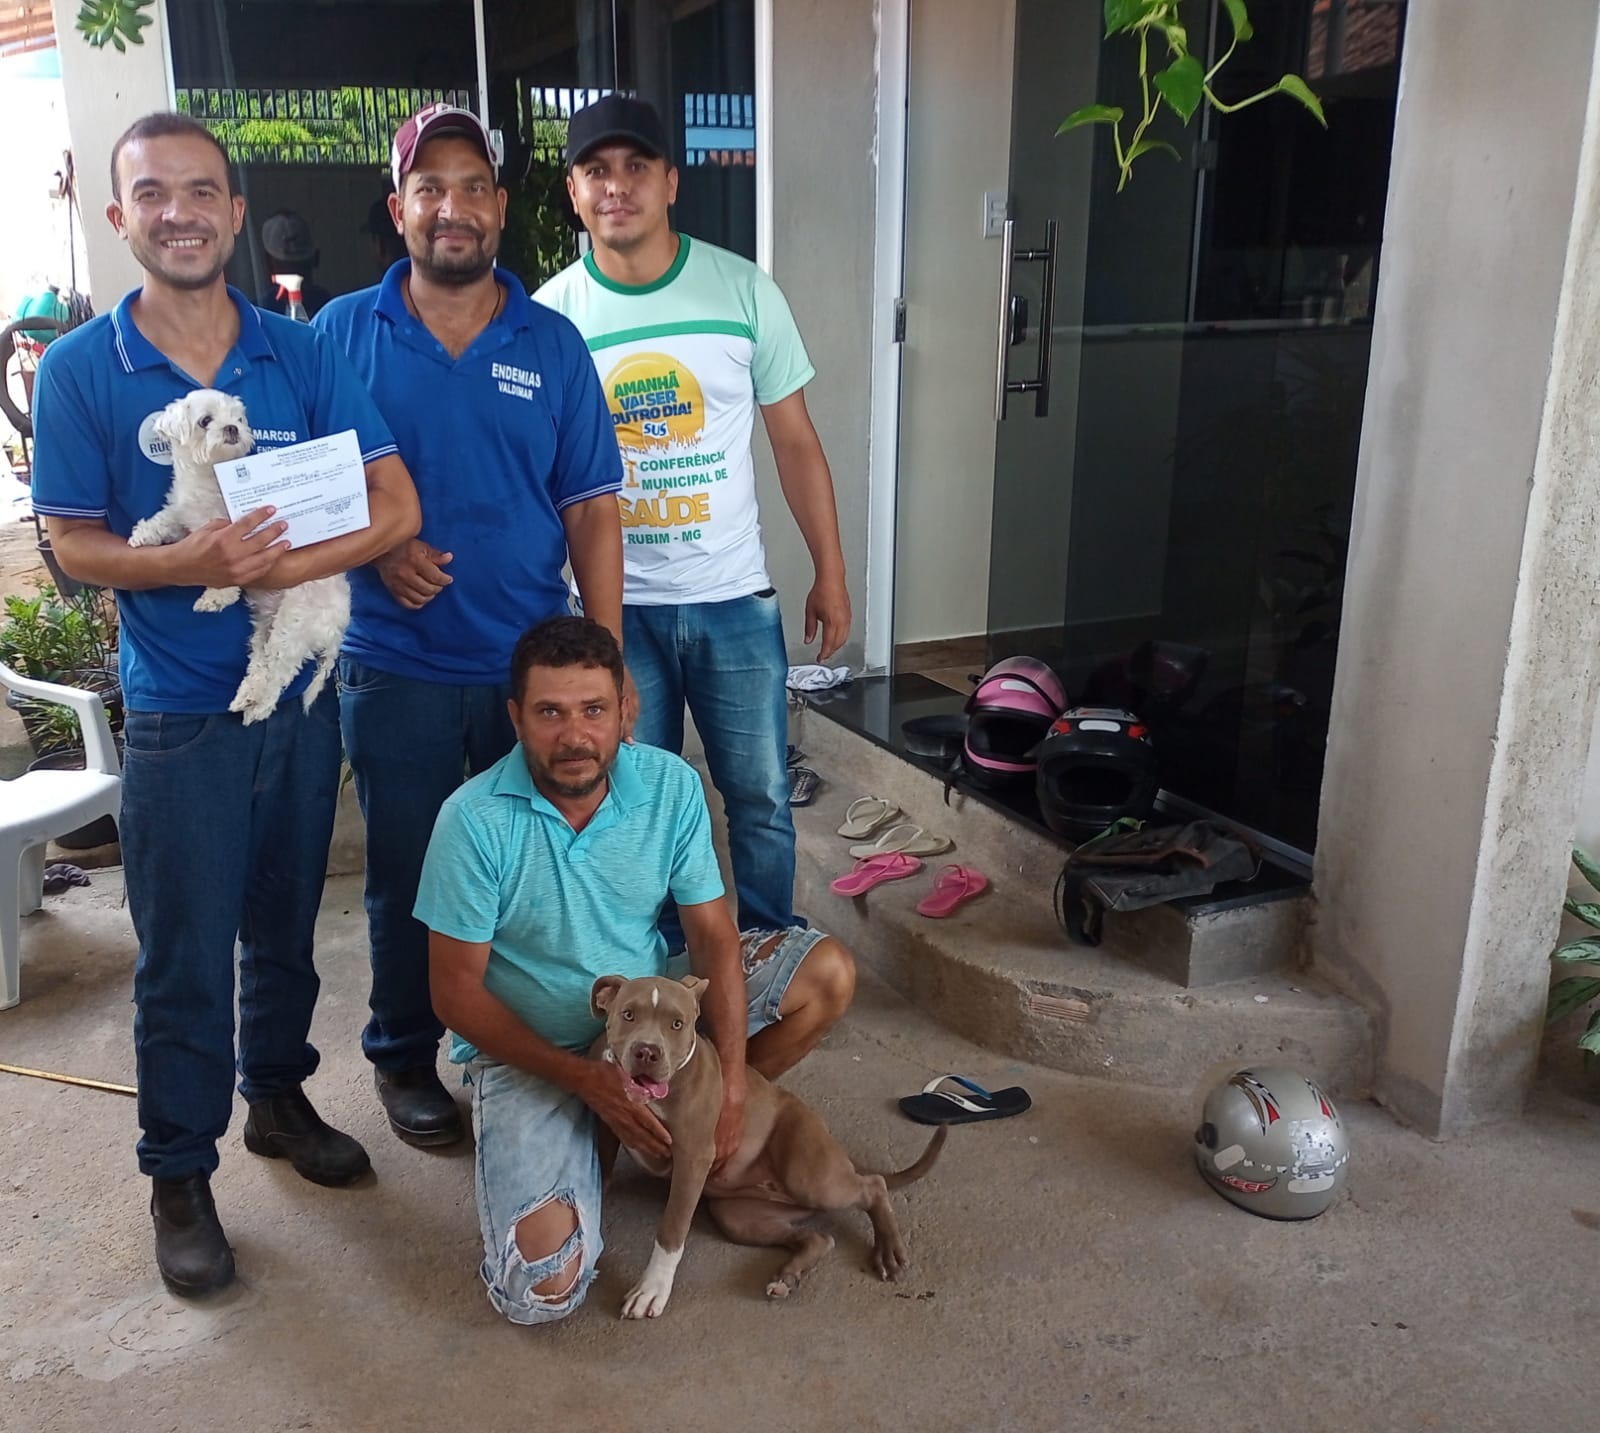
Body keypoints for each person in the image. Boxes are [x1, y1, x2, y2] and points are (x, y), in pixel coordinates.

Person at [27, 112, 422, 1296]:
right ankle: (179, 1171)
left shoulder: (299, 353)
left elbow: (394, 505)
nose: (180, 212)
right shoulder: (82, 370)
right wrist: (188, 563)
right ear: (120, 217)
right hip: (179, 717)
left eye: (202, 190)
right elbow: (72, 542)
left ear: (235, 213)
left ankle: (278, 1098)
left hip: (296, 705)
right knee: (186, 953)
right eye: (154, 193)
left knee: (286, 925)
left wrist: (282, 569)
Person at [314, 104, 625, 1151]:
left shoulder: (552, 342)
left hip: (526, 670)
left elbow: (591, 507)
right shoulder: (340, 334)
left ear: (500, 207)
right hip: (392, 663)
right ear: (398, 206)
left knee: (535, 866)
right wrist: (373, 545)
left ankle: (516, 1045)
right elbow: (297, 485)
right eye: (430, 188)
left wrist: (603, 668)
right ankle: (405, 1052)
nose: (453, 207)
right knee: (408, 872)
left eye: (473, 187)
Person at [415, 615, 856, 1324]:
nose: (575, 735)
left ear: (626, 710)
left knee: (826, 972)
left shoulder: (669, 785)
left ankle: (684, 1126)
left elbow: (712, 936)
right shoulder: (472, 821)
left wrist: (731, 1083)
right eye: (550, 713)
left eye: (593, 709)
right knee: (542, 1290)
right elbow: (454, 992)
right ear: (516, 718)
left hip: (652, 1011)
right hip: (535, 1051)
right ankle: (614, 1135)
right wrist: (586, 1079)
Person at [536, 95, 851, 947]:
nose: (617, 187)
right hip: (615, 610)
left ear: (671, 182)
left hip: (733, 600)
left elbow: (795, 441)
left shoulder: (743, 290)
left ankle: (768, 956)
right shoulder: (551, 318)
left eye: (636, 167)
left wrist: (829, 569)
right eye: (596, 171)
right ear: (574, 193)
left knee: (760, 795)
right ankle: (662, 963)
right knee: (635, 798)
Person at [256, 210, 333, 318]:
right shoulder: (257, 313)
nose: (294, 282)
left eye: (301, 267)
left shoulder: (328, 307)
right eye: (285, 266)